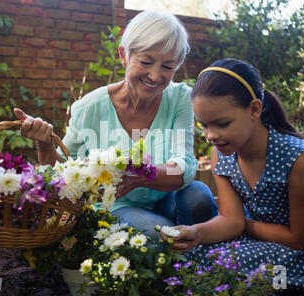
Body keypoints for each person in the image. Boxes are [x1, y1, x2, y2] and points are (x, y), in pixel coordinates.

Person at [13, 10, 218, 237]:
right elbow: (61, 173)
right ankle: (180, 258)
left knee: (198, 196)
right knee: (155, 234)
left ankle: (197, 259)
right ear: (124, 55)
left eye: (167, 67)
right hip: (117, 207)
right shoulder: (89, 108)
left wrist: (142, 175)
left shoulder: (180, 98)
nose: (155, 75)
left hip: (168, 200)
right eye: (146, 61)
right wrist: (45, 145)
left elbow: (185, 168)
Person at [164, 58, 304, 296]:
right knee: (200, 254)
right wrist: (196, 233)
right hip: (262, 239)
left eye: (222, 124)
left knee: (254, 267)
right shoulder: (220, 157)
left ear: (254, 109)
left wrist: (244, 224)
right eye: (203, 125)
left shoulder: (297, 160)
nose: (211, 135)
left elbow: (300, 240)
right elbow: (230, 220)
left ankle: (294, 288)